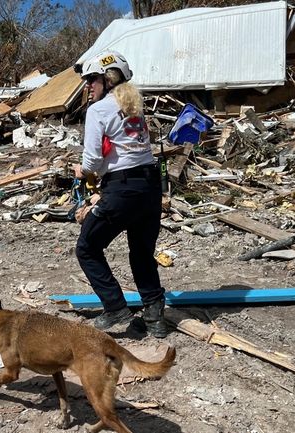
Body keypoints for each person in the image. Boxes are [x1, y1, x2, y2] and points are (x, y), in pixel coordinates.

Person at [73, 51, 168, 338]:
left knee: (87, 247)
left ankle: (115, 306)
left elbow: (91, 162)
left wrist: (82, 170)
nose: (88, 85)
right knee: (141, 253)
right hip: (150, 188)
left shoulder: (98, 110)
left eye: (91, 79)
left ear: (107, 78)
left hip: (122, 189)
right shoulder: (134, 106)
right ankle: (155, 316)